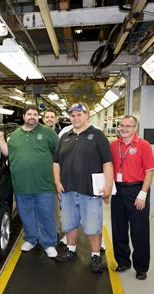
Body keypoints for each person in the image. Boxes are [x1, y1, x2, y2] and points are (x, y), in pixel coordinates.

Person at [53, 103, 113, 273]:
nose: (75, 118)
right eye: (72, 115)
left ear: (87, 115)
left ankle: (95, 256)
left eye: (79, 114)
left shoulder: (98, 135)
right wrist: (57, 183)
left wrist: (108, 185)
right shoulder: (65, 136)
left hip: (90, 191)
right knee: (70, 224)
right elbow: (56, 162)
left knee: (93, 226)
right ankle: (71, 251)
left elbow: (107, 162)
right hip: (68, 190)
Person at [0, 105, 59, 258]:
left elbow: (58, 154)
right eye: (29, 114)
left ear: (38, 117)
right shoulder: (16, 135)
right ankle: (31, 239)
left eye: (35, 114)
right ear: (24, 116)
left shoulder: (48, 132)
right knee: (26, 214)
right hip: (21, 184)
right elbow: (8, 153)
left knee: (46, 215)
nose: (32, 116)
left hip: (44, 184)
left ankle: (49, 243)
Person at [110, 115, 154, 280]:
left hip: (137, 190)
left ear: (135, 127)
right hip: (118, 190)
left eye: (128, 126)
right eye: (121, 125)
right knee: (119, 228)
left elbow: (150, 172)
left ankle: (141, 266)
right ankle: (123, 261)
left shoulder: (144, 145)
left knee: (139, 230)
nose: (124, 128)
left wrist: (143, 194)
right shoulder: (114, 145)